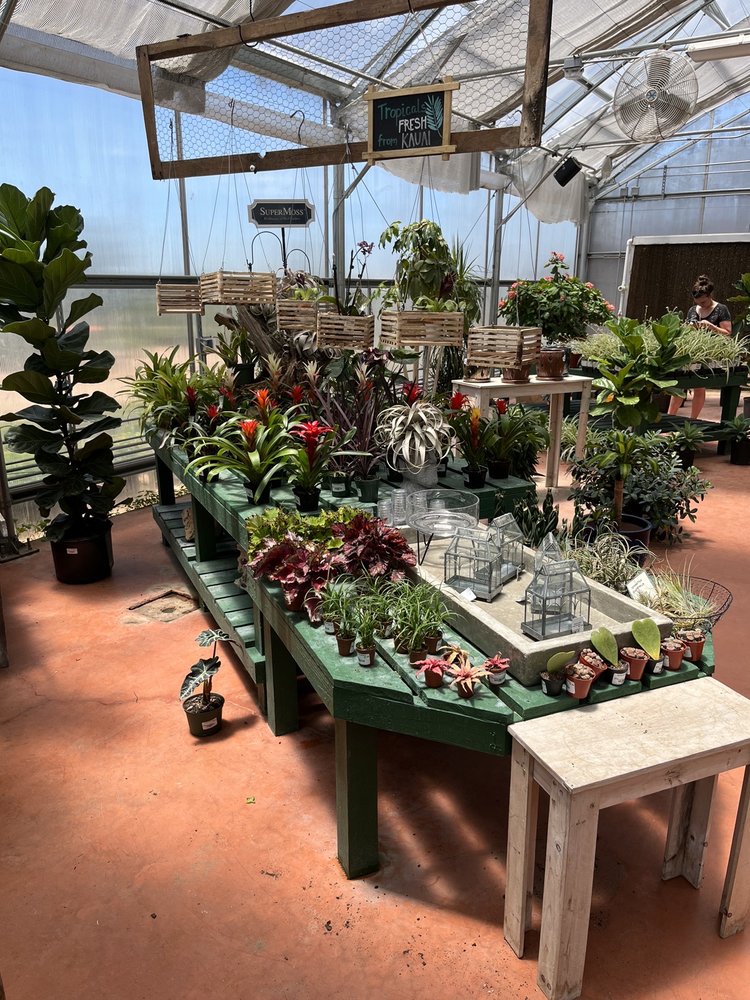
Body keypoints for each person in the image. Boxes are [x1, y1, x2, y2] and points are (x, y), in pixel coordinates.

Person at [668, 274, 732, 418]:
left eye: (703, 302)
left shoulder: (721, 309)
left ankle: (693, 420)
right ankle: (671, 416)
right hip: (691, 350)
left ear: (710, 296)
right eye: (698, 302)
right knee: (679, 383)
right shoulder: (693, 310)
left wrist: (711, 327)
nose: (701, 305)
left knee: (699, 385)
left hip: (709, 351)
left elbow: (728, 333)